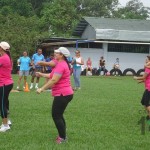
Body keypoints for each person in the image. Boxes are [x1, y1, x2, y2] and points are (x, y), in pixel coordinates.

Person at [36, 47, 74, 144]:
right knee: (59, 115)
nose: (54, 54)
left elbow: (54, 80)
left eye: (57, 53)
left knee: (56, 115)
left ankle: (62, 138)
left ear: (62, 55)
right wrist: (41, 74)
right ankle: (63, 135)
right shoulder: (60, 64)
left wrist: (42, 88)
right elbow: (51, 75)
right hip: (65, 93)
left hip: (63, 94)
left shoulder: (61, 65)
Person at [0, 41, 13, 132]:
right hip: (7, 83)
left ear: (1, 49)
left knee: (2, 104)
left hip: (4, 84)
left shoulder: (3, 58)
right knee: (4, 103)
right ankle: (7, 121)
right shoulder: (6, 57)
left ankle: (5, 125)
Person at [134, 56, 150, 123]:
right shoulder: (147, 68)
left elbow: (144, 77)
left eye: (147, 60)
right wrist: (141, 81)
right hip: (147, 88)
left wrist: (136, 78)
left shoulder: (147, 69)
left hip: (149, 88)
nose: (145, 61)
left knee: (146, 104)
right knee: (143, 102)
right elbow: (146, 78)